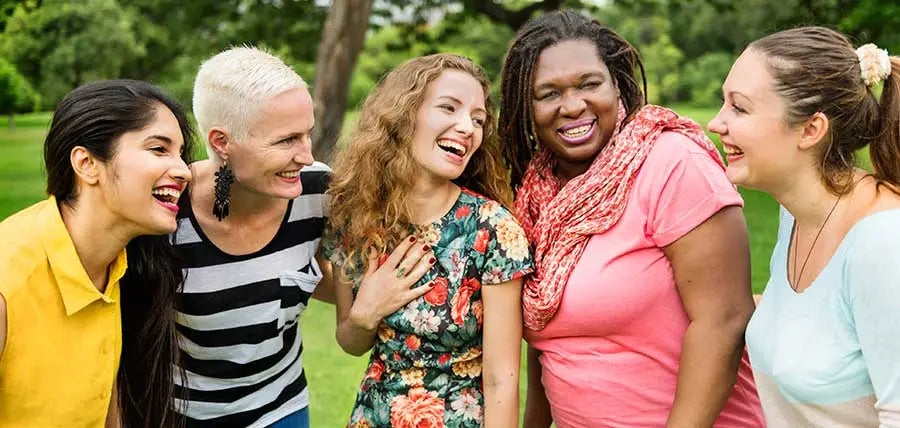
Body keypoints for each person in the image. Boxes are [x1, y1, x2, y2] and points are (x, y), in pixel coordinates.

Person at [499, 11, 765, 427]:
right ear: (524, 107)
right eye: (548, 94)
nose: (572, 106)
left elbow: (724, 321)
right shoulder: (536, 196)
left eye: (589, 84)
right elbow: (552, 341)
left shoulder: (671, 163)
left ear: (618, 85)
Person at [325, 53, 533, 428]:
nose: (467, 127)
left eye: (478, 119)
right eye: (448, 108)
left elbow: (502, 377)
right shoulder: (354, 215)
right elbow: (351, 341)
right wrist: (364, 313)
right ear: (404, 115)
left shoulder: (492, 230)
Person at [708, 26, 900, 426]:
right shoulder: (796, 213)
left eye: (739, 108)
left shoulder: (882, 245)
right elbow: (815, 317)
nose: (716, 123)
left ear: (811, 130)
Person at [0, 79, 194, 427]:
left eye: (180, 153)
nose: (183, 170)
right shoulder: (8, 281)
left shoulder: (115, 264)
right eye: (159, 149)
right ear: (87, 164)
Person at [171, 47, 333, 428]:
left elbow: (321, 278)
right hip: (183, 415)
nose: (306, 156)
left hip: (282, 408)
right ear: (222, 142)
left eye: (307, 134)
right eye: (287, 140)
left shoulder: (317, 192)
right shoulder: (166, 209)